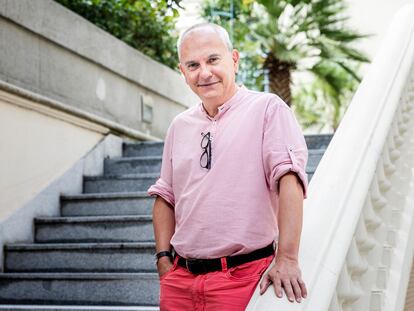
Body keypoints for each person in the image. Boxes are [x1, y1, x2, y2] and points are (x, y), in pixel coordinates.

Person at [148, 22, 308, 311]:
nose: (204, 72)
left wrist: (287, 257)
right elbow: (165, 195)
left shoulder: (268, 108)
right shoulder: (179, 125)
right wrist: (162, 259)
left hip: (243, 278)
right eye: (193, 65)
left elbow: (290, 180)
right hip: (180, 282)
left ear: (233, 60)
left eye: (212, 60)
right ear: (183, 72)